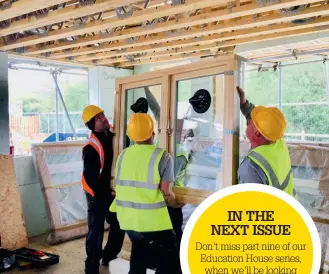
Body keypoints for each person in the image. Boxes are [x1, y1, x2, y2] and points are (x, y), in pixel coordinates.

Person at [110, 113, 183, 274]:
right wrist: (177, 203)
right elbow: (166, 193)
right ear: (153, 133)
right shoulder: (162, 156)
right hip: (152, 222)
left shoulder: (122, 156)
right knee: (170, 258)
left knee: (138, 254)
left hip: (128, 220)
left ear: (130, 135)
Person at [81, 105, 125, 274]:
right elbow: (91, 178)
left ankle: (109, 256)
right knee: (96, 229)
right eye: (99, 117)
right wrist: (104, 193)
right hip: (95, 192)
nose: (104, 118)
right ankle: (91, 266)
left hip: (110, 190)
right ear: (93, 123)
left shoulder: (112, 133)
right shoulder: (91, 147)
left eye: (103, 114)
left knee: (118, 223)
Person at [236, 86, 298, 198]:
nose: (249, 120)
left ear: (257, 133)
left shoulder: (250, 168)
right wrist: (243, 103)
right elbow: (259, 118)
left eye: (251, 122)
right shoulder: (276, 138)